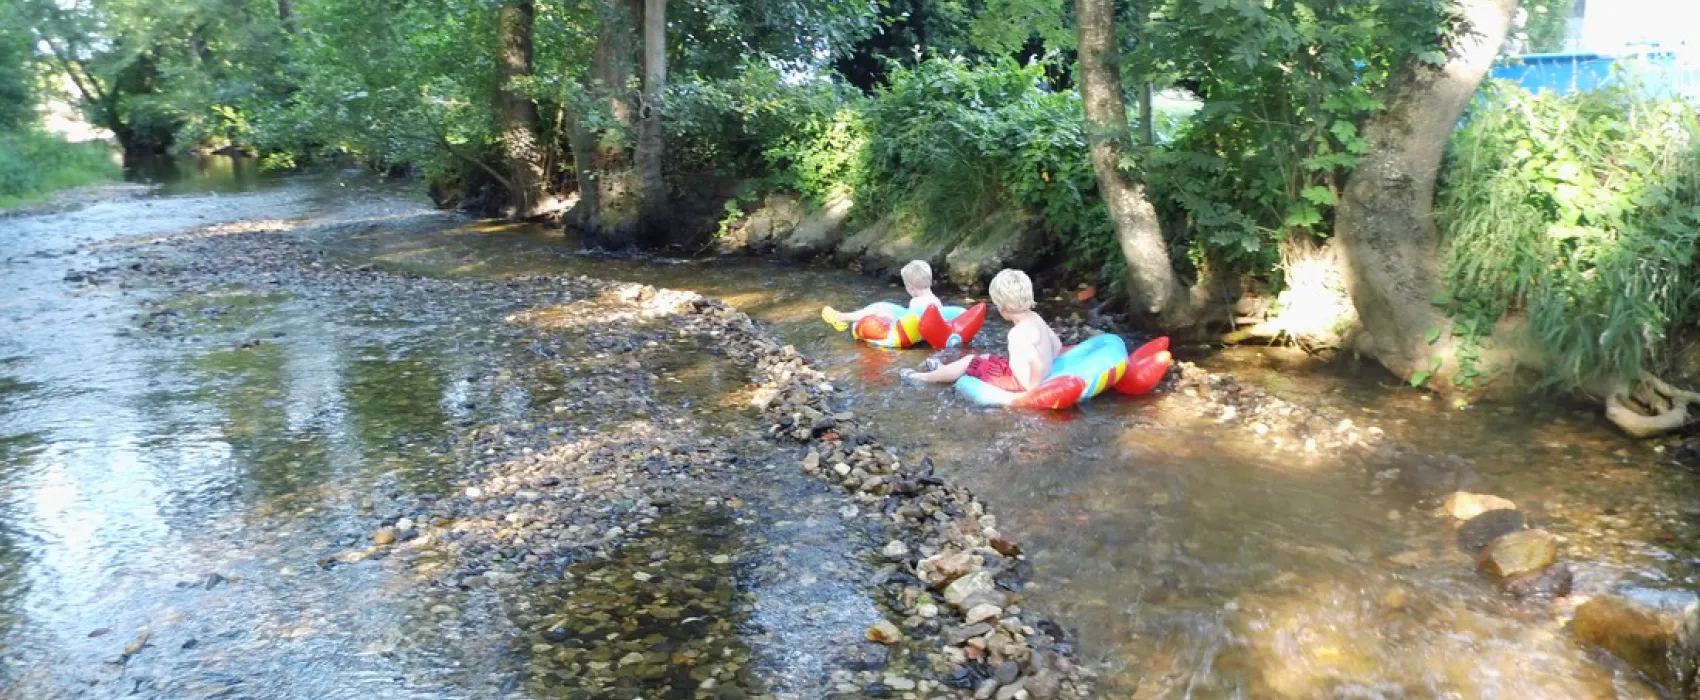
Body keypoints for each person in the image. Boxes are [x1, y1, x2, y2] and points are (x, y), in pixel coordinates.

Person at [904, 269, 1061, 392]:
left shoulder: (1018, 333)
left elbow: (1036, 363)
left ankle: (923, 377)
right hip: (1021, 374)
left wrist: (1032, 389)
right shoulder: (1036, 318)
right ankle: (943, 370)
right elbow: (1057, 345)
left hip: (1016, 382)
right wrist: (1047, 361)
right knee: (985, 357)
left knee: (970, 361)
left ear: (1003, 307)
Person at [822, 260, 941, 331]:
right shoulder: (936, 301)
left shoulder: (915, 302)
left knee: (877, 310)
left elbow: (910, 325)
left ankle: (841, 317)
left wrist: (888, 318)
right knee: (883, 307)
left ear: (910, 286)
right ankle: (843, 317)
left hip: (905, 328)